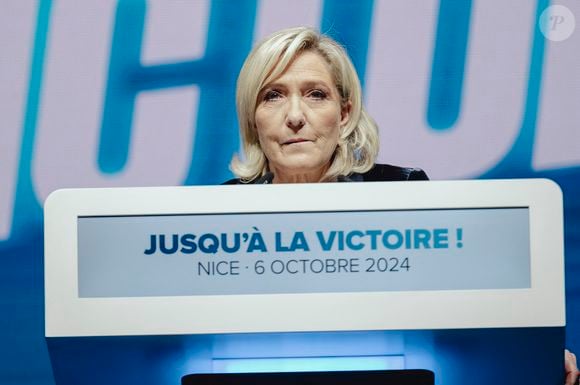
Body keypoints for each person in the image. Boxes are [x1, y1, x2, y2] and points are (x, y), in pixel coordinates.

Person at [224, 25, 579, 384]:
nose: (295, 115)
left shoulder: (403, 191)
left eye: (316, 94)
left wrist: (530, 351)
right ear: (252, 118)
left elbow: (461, 316)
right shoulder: (216, 213)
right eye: (273, 96)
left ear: (344, 114)